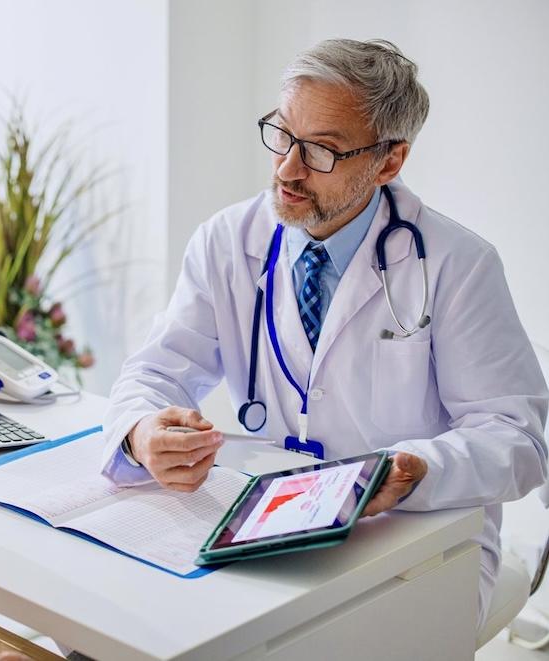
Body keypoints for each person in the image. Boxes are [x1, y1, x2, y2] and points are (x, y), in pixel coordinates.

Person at [100, 38, 548, 627]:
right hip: (270, 520)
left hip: (414, 537)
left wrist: (410, 470)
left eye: (321, 151)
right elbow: (156, 371)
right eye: (283, 135)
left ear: (388, 162)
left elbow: (519, 436)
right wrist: (141, 430)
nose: (287, 168)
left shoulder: (456, 265)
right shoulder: (228, 241)